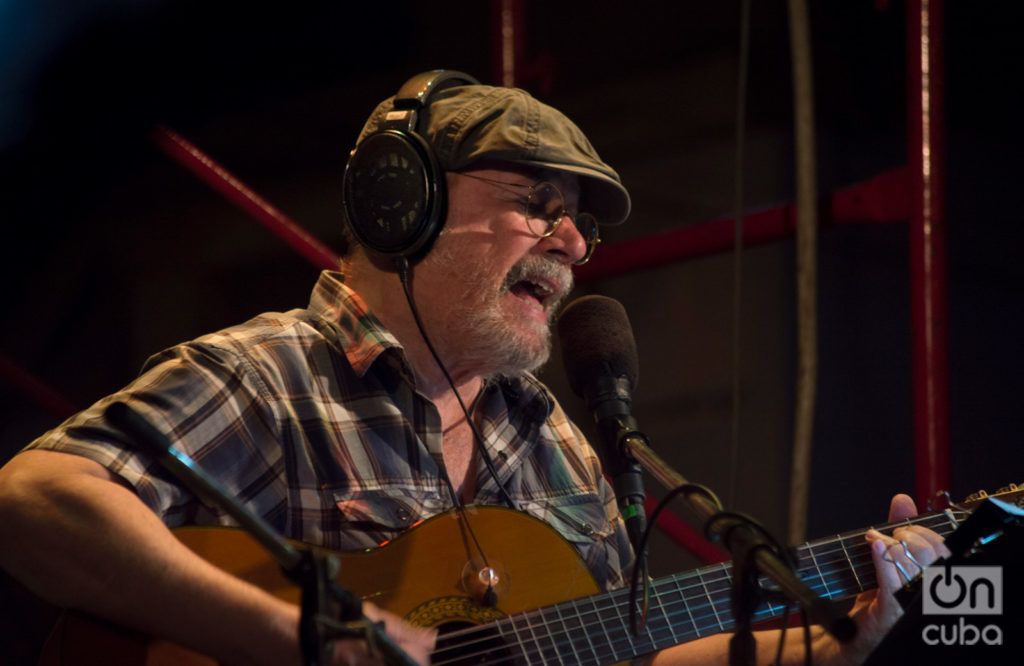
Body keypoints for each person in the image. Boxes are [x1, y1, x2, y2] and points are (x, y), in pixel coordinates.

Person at [0, 73, 948, 665]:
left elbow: (617, 654)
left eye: (581, 222)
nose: (574, 242)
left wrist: (834, 637)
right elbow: (32, 500)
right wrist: (294, 634)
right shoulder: (273, 374)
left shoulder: (556, 445)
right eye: (537, 202)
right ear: (398, 204)